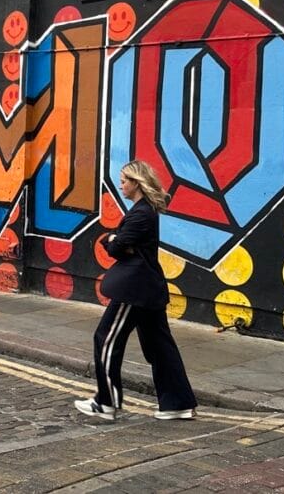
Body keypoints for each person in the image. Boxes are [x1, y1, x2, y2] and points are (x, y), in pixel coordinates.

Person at [75, 160, 197, 422]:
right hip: (148, 288)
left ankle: (106, 403)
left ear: (137, 183)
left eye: (124, 181)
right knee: (159, 346)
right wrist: (118, 240)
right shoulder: (144, 210)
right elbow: (122, 243)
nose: (121, 186)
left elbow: (117, 247)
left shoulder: (141, 214)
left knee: (106, 338)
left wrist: (113, 240)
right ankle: (177, 403)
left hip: (135, 289)